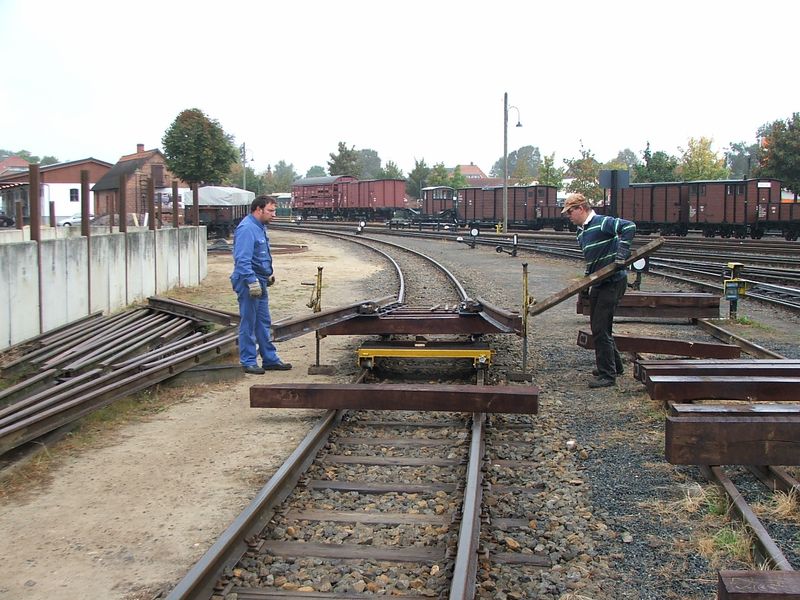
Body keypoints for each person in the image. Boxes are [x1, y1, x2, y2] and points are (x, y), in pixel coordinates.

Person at [562, 193, 636, 388]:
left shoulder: (602, 223)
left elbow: (629, 227)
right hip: (598, 282)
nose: (568, 216)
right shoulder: (581, 232)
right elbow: (591, 261)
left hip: (613, 281)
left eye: (570, 212)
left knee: (601, 328)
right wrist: (586, 285)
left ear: (581, 208)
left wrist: (622, 252)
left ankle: (607, 375)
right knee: (601, 327)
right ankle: (614, 366)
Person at [231, 195, 292, 374]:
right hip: (248, 281)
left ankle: (270, 359)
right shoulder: (247, 229)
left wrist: (267, 274)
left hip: (260, 280)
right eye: (270, 211)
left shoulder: (259, 227)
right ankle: (248, 361)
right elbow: (242, 260)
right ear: (258, 210)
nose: (274, 214)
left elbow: (259, 255)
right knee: (248, 322)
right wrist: (252, 281)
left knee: (263, 322)